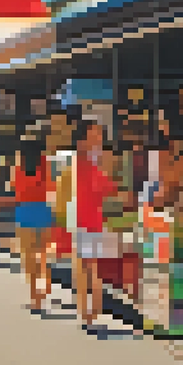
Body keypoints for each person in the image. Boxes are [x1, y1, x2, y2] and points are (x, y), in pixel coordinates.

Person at [72, 118, 118, 332]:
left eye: (100, 134)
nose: (99, 138)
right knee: (88, 266)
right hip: (85, 219)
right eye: (95, 134)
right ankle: (89, 309)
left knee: (88, 266)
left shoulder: (90, 160)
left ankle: (90, 309)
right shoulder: (84, 161)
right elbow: (101, 186)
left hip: (90, 219)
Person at [14, 138, 55, 312]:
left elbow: (15, 186)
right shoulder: (45, 164)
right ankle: (46, 283)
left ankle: (34, 295)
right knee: (44, 252)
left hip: (25, 210)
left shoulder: (19, 166)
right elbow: (51, 186)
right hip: (43, 209)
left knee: (28, 255)